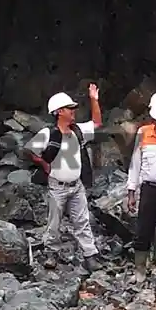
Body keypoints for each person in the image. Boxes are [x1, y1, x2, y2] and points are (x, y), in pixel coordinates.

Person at [29, 84, 103, 272]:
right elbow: (30, 150)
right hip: (57, 186)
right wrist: (45, 164)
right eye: (70, 109)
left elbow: (97, 123)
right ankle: (51, 253)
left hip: (76, 185)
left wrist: (94, 99)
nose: (74, 112)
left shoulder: (77, 131)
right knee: (54, 222)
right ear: (59, 112)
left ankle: (90, 255)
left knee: (82, 220)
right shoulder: (48, 133)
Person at [126, 91, 156, 283]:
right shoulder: (144, 133)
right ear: (154, 120)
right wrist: (131, 191)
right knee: (144, 227)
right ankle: (140, 268)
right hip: (149, 187)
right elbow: (136, 162)